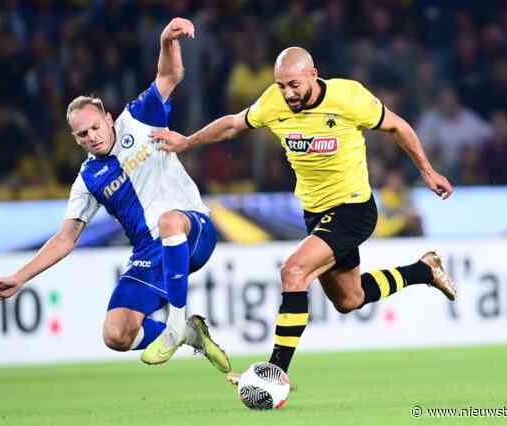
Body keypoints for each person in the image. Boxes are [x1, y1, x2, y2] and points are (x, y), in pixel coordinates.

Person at [151, 47, 456, 382]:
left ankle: (275, 372)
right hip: (315, 214)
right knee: (349, 298)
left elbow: (398, 126)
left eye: (293, 84)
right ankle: (423, 270)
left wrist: (427, 171)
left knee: (294, 271)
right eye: (281, 85)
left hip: (353, 209)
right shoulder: (274, 102)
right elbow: (232, 126)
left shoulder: (348, 97)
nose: (288, 93)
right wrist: (186, 142)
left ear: (314, 74)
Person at [0, 18, 231, 374]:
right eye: (82, 135)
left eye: (95, 127)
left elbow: (169, 77)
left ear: (109, 119)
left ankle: (175, 323)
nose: (92, 136)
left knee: (169, 220)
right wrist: (20, 277)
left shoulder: (138, 120)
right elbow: (66, 238)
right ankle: (190, 334)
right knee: (116, 334)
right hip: (149, 253)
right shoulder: (87, 180)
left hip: (193, 230)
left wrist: (165, 42)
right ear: (75, 139)